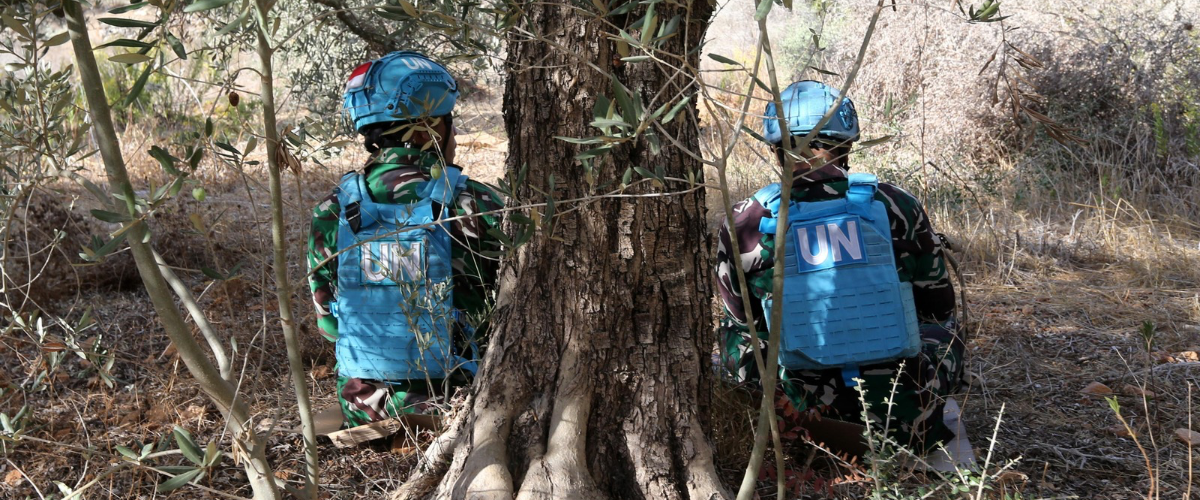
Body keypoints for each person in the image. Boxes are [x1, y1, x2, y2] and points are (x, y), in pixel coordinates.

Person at [714, 80, 965, 452]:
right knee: (943, 329)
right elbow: (939, 306)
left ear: (776, 149)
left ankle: (773, 418)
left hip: (797, 423)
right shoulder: (896, 204)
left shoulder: (746, 219)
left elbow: (741, 316)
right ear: (846, 145)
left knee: (735, 332)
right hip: (902, 420)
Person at [308, 51, 504, 428]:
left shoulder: (332, 210)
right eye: (448, 121)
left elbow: (328, 325)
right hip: (459, 405)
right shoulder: (475, 204)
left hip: (364, 411)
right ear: (428, 129)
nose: (454, 134)